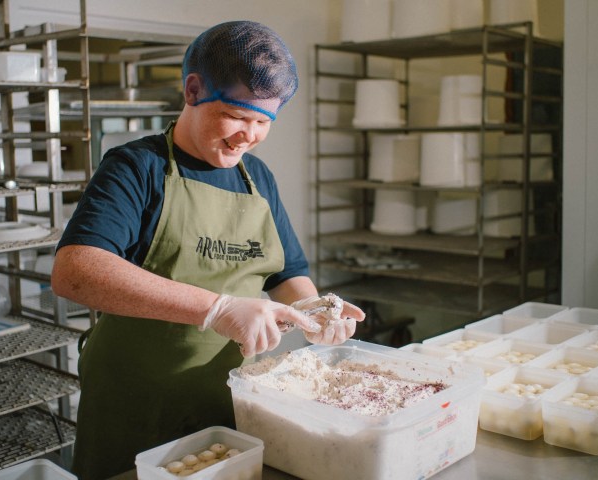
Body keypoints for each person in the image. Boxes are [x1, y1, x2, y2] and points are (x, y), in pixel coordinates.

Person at [51, 20, 365, 480]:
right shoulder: (137, 168)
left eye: (263, 122)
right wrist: (216, 308)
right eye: (238, 116)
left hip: (231, 398)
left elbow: (286, 272)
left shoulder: (257, 177)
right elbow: (75, 271)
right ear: (193, 90)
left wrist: (314, 311)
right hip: (137, 400)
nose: (248, 136)